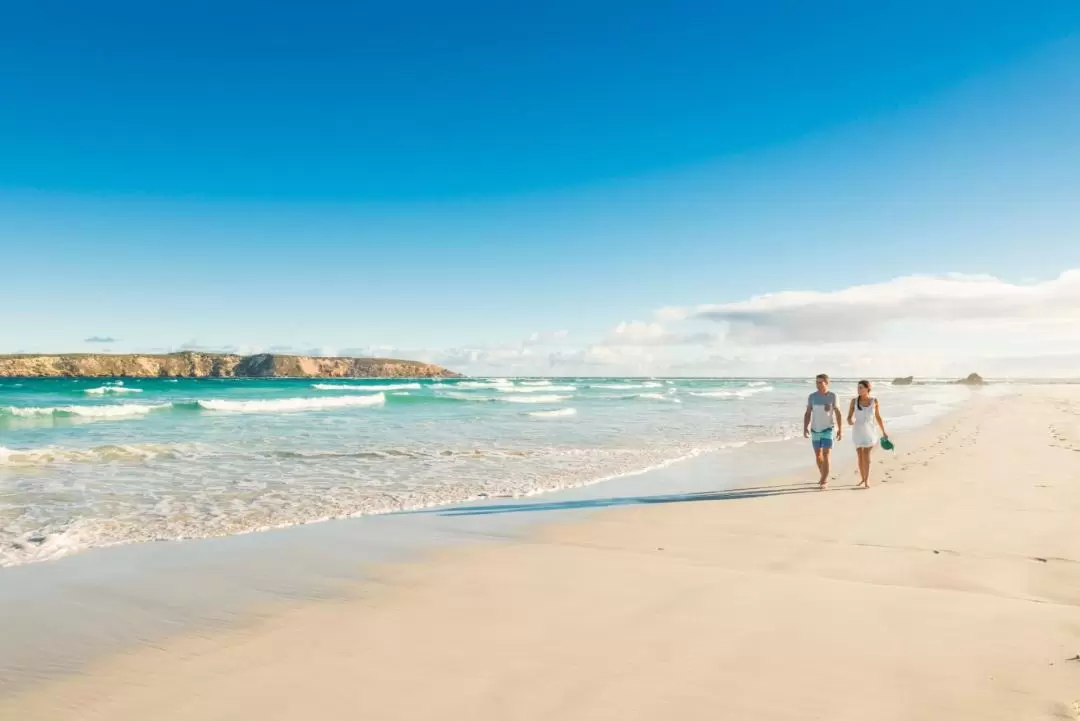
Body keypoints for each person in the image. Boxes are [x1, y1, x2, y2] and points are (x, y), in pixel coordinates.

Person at [847, 380, 889, 488]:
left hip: (870, 430)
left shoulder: (874, 401)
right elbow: (849, 417)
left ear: (867, 388)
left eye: (861, 387)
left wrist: (884, 431)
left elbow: (878, 417)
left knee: (866, 454)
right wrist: (849, 421)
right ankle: (862, 478)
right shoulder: (854, 401)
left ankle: (867, 480)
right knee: (860, 455)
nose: (859, 389)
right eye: (858, 387)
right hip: (858, 430)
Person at [803, 373, 842, 488]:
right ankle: (823, 475)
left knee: (826, 454)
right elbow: (808, 413)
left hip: (828, 429)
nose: (818, 384)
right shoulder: (812, 397)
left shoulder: (833, 396)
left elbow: (838, 413)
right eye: (816, 382)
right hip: (815, 430)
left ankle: (824, 480)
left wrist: (840, 429)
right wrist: (805, 427)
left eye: (820, 382)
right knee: (818, 455)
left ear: (826, 382)